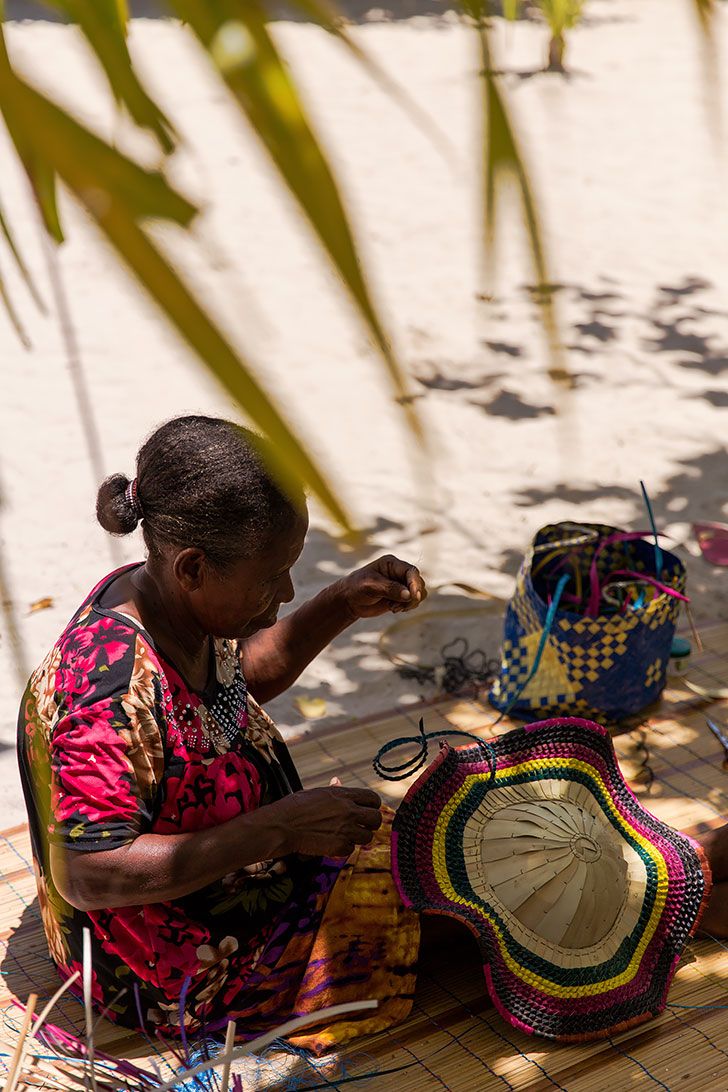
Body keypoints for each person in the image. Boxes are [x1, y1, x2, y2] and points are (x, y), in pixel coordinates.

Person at [17, 414, 429, 1055]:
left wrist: (342, 601)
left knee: (435, 856)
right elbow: (86, 872)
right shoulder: (105, 692)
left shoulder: (171, 596)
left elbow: (234, 684)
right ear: (192, 568)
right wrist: (279, 828)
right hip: (163, 962)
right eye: (273, 577)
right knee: (427, 910)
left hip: (228, 871)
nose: (287, 591)